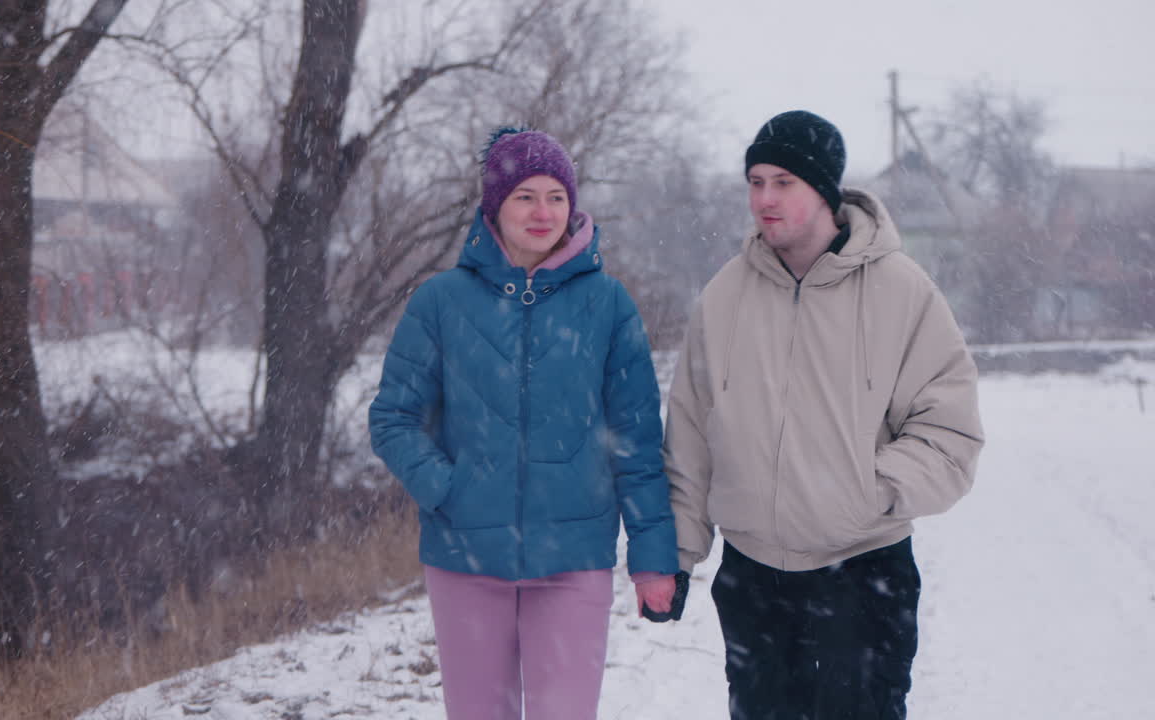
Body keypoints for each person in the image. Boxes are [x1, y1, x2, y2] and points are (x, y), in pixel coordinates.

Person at [663, 110, 985, 719]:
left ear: (824, 190)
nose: (764, 198)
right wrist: (677, 553)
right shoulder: (724, 296)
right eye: (755, 182)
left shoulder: (902, 291)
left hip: (864, 571)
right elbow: (691, 438)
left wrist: (864, 493)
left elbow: (949, 432)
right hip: (754, 576)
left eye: (783, 182)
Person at [368, 127, 678, 720]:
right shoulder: (440, 301)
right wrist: (447, 489)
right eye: (525, 197)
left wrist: (653, 556)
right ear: (494, 207)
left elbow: (636, 442)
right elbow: (394, 417)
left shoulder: (608, 304)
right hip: (465, 557)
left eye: (556, 197)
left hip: (574, 559)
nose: (543, 212)